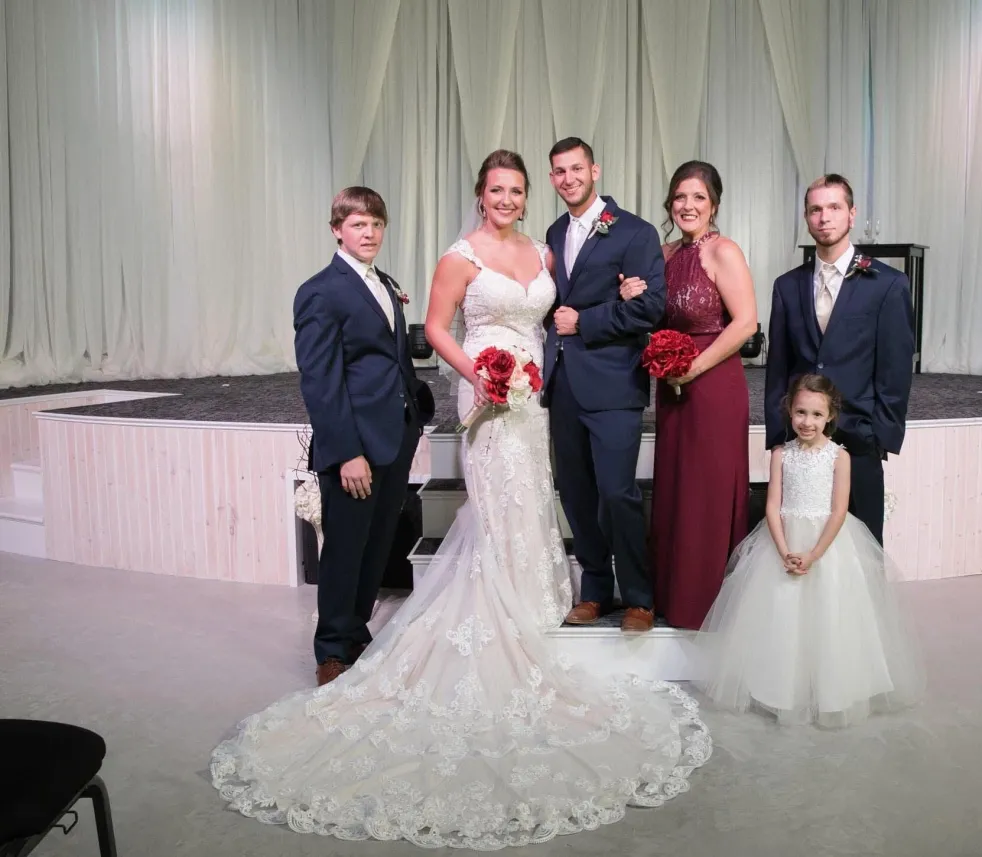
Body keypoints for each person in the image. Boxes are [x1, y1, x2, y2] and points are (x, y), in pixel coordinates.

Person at [210, 150, 711, 850]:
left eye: (517, 190)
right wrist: (479, 373)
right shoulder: (459, 256)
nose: (507, 198)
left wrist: (624, 294)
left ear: (528, 195)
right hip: (487, 396)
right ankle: (452, 618)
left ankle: (534, 602)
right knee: (497, 504)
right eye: (496, 189)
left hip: (533, 401)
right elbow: (440, 327)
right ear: (481, 195)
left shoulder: (542, 249)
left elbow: (570, 302)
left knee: (534, 499)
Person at [697, 374, 924, 728]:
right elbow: (773, 506)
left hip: (827, 546)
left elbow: (839, 511)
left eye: (817, 414)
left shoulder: (839, 457)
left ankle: (827, 688)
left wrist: (814, 554)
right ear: (790, 411)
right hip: (783, 542)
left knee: (830, 615)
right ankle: (784, 689)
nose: (807, 421)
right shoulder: (780, 454)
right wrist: (784, 550)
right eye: (801, 412)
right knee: (783, 616)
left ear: (830, 416)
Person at [292, 186, 434, 687]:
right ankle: (331, 649)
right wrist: (347, 452)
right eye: (357, 224)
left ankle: (355, 633)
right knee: (345, 549)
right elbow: (320, 381)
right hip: (354, 444)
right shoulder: (320, 291)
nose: (369, 232)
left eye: (375, 223)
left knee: (375, 547)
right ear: (337, 230)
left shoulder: (383, 282)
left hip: (394, 433)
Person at [617, 161, 756, 630]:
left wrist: (693, 368)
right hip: (672, 387)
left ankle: (707, 604)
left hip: (713, 384)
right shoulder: (663, 253)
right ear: (669, 203)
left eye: (698, 197)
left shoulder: (724, 251)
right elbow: (651, 313)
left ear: (713, 204)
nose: (688, 205)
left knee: (707, 493)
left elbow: (745, 323)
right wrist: (632, 294)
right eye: (680, 197)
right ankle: (673, 597)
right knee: (676, 491)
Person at [542, 137, 666, 633]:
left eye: (576, 168)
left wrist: (586, 321)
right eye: (559, 171)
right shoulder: (553, 232)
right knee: (575, 493)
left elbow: (651, 307)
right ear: (552, 178)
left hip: (614, 382)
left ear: (594, 170)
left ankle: (638, 596)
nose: (568, 178)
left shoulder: (635, 231)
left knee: (616, 493)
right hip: (564, 383)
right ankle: (594, 589)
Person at [764, 174, 914, 545]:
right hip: (801, 440)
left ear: (852, 213)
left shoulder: (888, 284)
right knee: (800, 543)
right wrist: (779, 435)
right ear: (806, 216)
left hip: (859, 437)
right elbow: (778, 367)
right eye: (815, 209)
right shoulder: (787, 285)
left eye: (834, 207)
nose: (824, 217)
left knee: (863, 550)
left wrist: (879, 435)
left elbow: (896, 369)